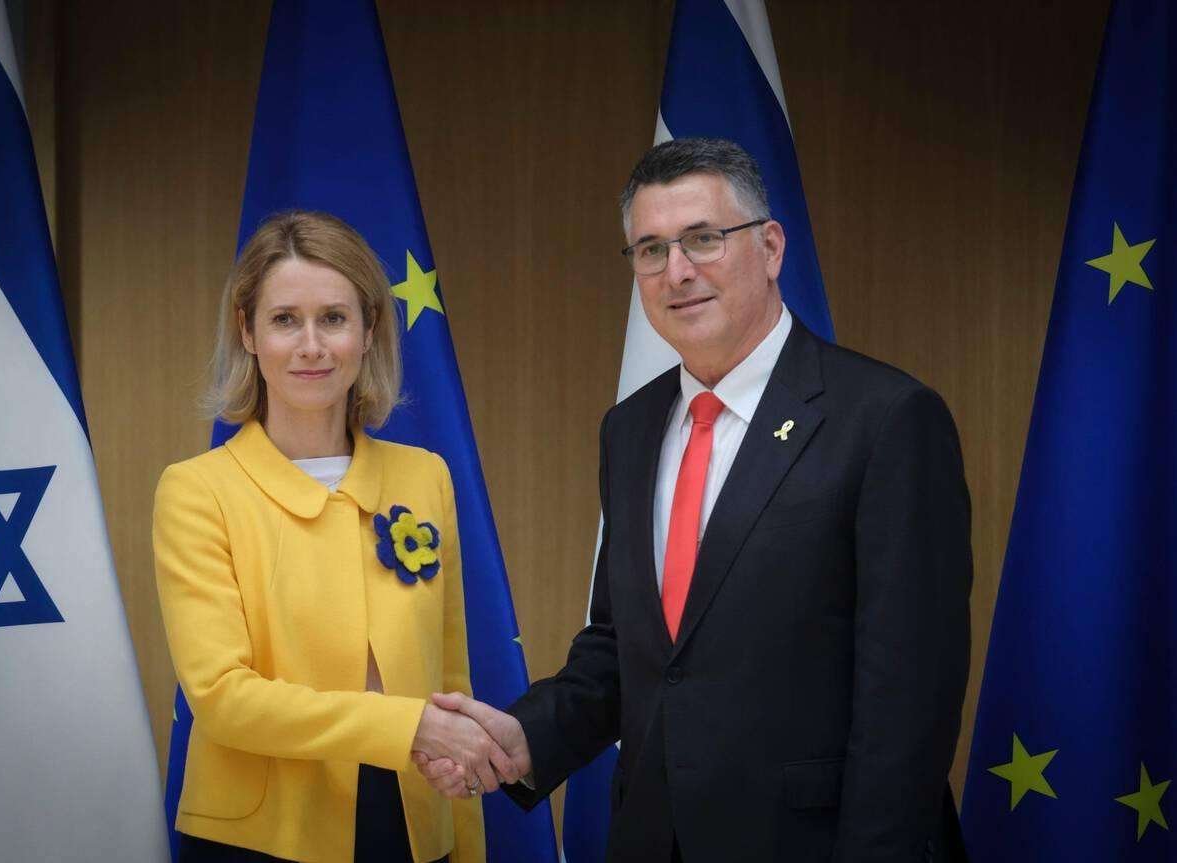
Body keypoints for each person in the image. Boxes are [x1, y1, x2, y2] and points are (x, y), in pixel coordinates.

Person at [416, 139, 972, 862]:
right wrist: (526, 737)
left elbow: (909, 697)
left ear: (771, 248)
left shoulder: (886, 418)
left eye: (703, 239)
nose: (677, 271)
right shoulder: (631, 428)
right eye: (651, 249)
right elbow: (630, 648)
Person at [153, 211, 515, 863]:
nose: (311, 345)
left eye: (334, 318)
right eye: (285, 319)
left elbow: (451, 680)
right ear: (248, 332)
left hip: (413, 822)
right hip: (256, 839)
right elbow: (224, 699)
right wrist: (409, 725)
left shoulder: (425, 476)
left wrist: (465, 844)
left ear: (369, 329)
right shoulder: (196, 490)